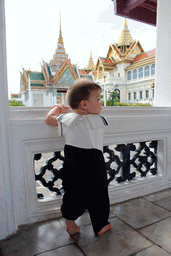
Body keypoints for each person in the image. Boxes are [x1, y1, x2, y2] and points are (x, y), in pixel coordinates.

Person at [45, 78, 111, 236]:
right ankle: (100, 225)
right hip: (94, 162)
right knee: (99, 194)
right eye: (97, 99)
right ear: (84, 104)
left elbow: (49, 119)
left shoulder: (68, 119)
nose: (100, 103)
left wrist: (57, 108)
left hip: (73, 162)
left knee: (73, 193)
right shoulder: (98, 119)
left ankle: (70, 222)